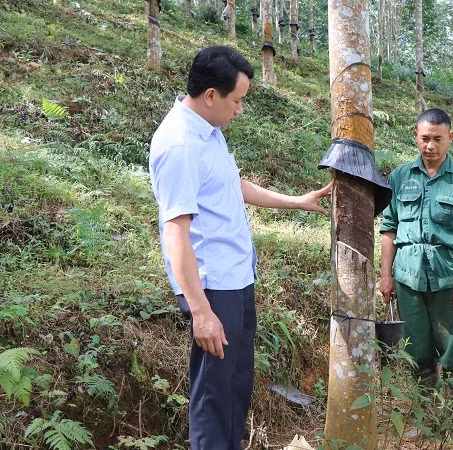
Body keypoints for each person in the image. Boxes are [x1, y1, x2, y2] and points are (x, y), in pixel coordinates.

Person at [148, 46, 331, 449]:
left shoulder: (208, 132)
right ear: (211, 95)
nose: (240, 110)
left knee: (234, 390)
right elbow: (176, 232)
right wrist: (201, 312)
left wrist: (297, 201)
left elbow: (233, 185)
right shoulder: (180, 145)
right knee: (214, 398)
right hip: (212, 288)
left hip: (236, 280)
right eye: (237, 101)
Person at [379, 108, 453, 444]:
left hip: (447, 279)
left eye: (438, 139)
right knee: (417, 352)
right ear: (415, 136)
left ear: (450, 138)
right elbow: (389, 228)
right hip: (407, 278)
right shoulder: (399, 177)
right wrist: (385, 275)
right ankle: (422, 418)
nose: (430, 146)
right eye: (425, 138)